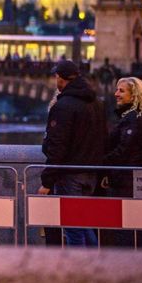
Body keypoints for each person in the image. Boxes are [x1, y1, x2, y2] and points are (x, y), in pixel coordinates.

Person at [38, 59, 106, 247]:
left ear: (61, 78)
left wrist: (47, 181)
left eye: (56, 76)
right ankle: (95, 264)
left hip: (70, 175)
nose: (55, 80)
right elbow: (102, 139)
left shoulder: (64, 105)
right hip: (90, 174)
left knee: (72, 229)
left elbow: (58, 146)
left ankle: (78, 271)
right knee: (82, 223)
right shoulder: (96, 104)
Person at [103, 77, 142, 247]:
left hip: (127, 178)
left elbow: (124, 150)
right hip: (127, 176)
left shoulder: (134, 118)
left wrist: (101, 163)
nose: (116, 93)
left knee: (127, 224)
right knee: (132, 223)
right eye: (117, 89)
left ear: (134, 96)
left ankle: (134, 263)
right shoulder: (132, 116)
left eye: (121, 91)